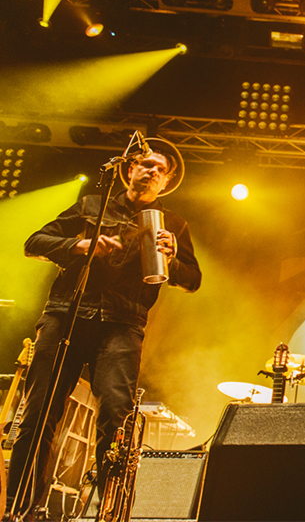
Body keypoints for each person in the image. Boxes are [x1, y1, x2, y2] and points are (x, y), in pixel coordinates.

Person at [6, 144, 201, 519]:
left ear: (166, 182)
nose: (152, 172)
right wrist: (80, 245)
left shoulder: (173, 224)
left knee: (116, 419)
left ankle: (104, 513)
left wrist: (173, 259)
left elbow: (193, 280)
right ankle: (20, 511)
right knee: (38, 414)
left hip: (123, 324)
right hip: (66, 313)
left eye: (161, 170)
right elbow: (34, 243)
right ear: (129, 169)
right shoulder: (91, 206)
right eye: (147, 164)